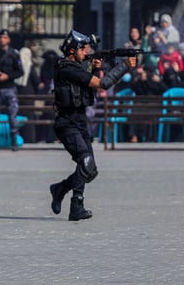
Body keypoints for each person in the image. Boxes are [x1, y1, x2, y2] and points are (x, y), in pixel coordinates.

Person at [48, 31, 134, 222]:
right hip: (66, 123)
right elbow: (103, 84)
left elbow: (88, 89)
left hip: (79, 121)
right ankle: (76, 206)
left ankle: (60, 188)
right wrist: (125, 66)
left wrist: (94, 68)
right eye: (83, 48)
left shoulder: (76, 68)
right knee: (85, 162)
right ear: (73, 51)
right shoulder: (67, 69)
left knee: (90, 169)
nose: (87, 51)